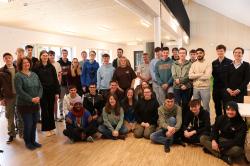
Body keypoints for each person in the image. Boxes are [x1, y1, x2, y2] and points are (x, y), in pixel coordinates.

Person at [14, 57, 43, 150]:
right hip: (24, 105)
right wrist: (31, 99)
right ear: (20, 65)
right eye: (24, 63)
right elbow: (19, 91)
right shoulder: (18, 76)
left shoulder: (34, 74)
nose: (26, 64)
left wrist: (39, 97)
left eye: (28, 62)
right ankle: (28, 142)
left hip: (35, 104)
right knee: (28, 124)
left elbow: (40, 87)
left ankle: (33, 141)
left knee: (34, 123)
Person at [34, 50, 60, 137]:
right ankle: (45, 129)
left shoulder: (51, 67)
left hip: (51, 91)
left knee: (50, 109)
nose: (45, 57)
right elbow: (35, 81)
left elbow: (56, 80)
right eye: (43, 55)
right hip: (42, 92)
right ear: (40, 56)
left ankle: (52, 127)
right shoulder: (37, 67)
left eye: (46, 55)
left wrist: (57, 92)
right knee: (44, 110)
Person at [0, 53, 20, 143]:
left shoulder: (18, 69)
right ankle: (12, 134)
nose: (8, 59)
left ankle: (21, 132)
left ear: (12, 59)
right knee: (10, 116)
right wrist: (1, 99)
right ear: (4, 60)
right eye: (6, 58)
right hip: (8, 97)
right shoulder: (1, 71)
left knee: (20, 115)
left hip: (19, 96)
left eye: (9, 58)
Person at [189, 48, 212, 112]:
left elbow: (207, 76)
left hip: (205, 89)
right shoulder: (193, 64)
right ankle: (197, 121)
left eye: (200, 53)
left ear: (204, 53)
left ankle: (207, 122)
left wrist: (195, 75)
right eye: (197, 53)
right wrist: (201, 74)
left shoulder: (208, 63)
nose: (199, 54)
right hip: (195, 88)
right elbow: (190, 76)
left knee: (206, 107)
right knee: (196, 107)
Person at [212, 45, 232, 117]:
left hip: (226, 88)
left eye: (221, 51)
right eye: (218, 51)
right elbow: (213, 74)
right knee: (217, 106)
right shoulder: (214, 63)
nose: (220, 52)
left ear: (224, 51)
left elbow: (231, 75)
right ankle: (219, 121)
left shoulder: (230, 62)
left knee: (226, 106)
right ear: (216, 51)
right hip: (216, 88)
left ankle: (226, 122)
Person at [171, 47, 192, 117]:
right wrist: (180, 84)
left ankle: (185, 121)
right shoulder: (174, 64)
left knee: (186, 104)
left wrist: (181, 81)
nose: (182, 54)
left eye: (183, 53)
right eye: (180, 53)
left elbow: (189, 76)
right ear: (178, 54)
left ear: (186, 54)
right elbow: (174, 75)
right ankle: (178, 119)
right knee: (177, 104)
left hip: (186, 87)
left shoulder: (190, 64)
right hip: (176, 87)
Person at [58, 49, 71, 121]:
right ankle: (61, 114)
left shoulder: (70, 62)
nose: (65, 54)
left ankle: (68, 113)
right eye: (63, 53)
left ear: (67, 54)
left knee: (69, 99)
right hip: (62, 84)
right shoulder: (58, 62)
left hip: (69, 84)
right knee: (61, 99)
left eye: (66, 53)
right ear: (61, 54)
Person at [48, 50, 62, 121]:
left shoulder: (57, 64)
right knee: (47, 102)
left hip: (55, 86)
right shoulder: (46, 64)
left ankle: (55, 116)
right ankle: (48, 117)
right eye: (50, 55)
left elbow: (59, 75)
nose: (52, 56)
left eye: (53, 55)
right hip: (47, 86)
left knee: (55, 102)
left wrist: (59, 84)